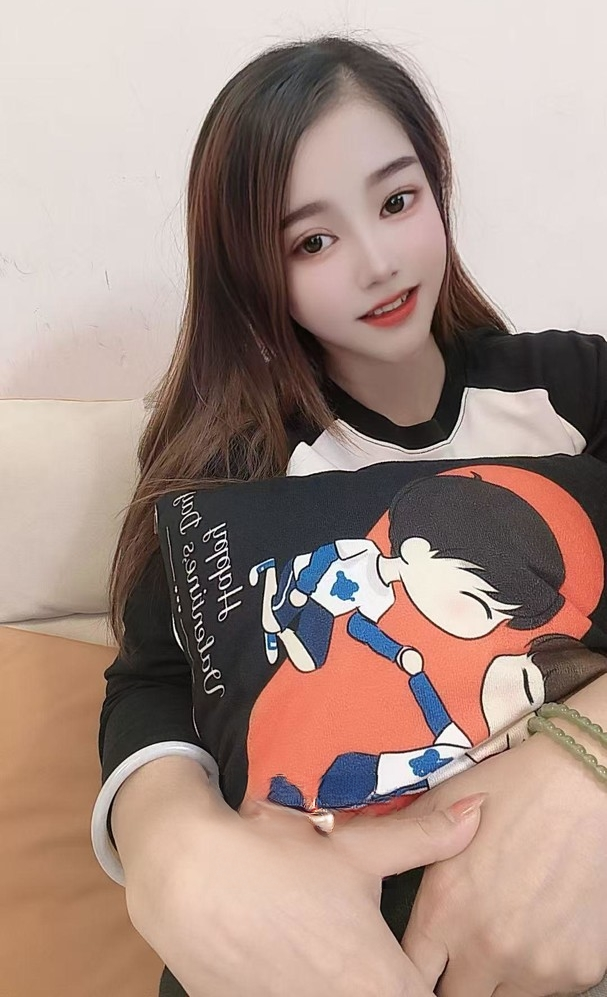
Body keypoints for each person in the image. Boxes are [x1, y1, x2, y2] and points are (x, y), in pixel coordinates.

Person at [92, 34, 607, 997]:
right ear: (252, 268)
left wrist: (589, 758)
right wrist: (167, 845)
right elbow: (154, 683)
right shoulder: (233, 468)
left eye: (396, 201)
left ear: (435, 186)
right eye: (312, 241)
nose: (376, 262)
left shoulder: (574, 388)